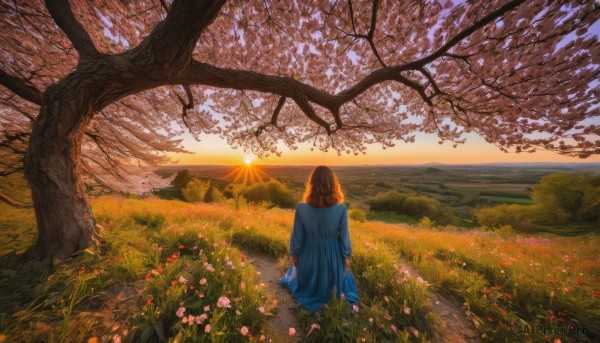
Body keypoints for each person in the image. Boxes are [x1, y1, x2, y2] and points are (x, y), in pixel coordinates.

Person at [278, 166, 358, 311]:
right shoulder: (341, 209)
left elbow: (297, 235)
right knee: (337, 281)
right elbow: (344, 237)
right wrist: (346, 256)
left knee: (302, 275)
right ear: (333, 184)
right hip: (332, 258)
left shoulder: (301, 207)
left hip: (308, 256)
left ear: (312, 184)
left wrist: (294, 254)